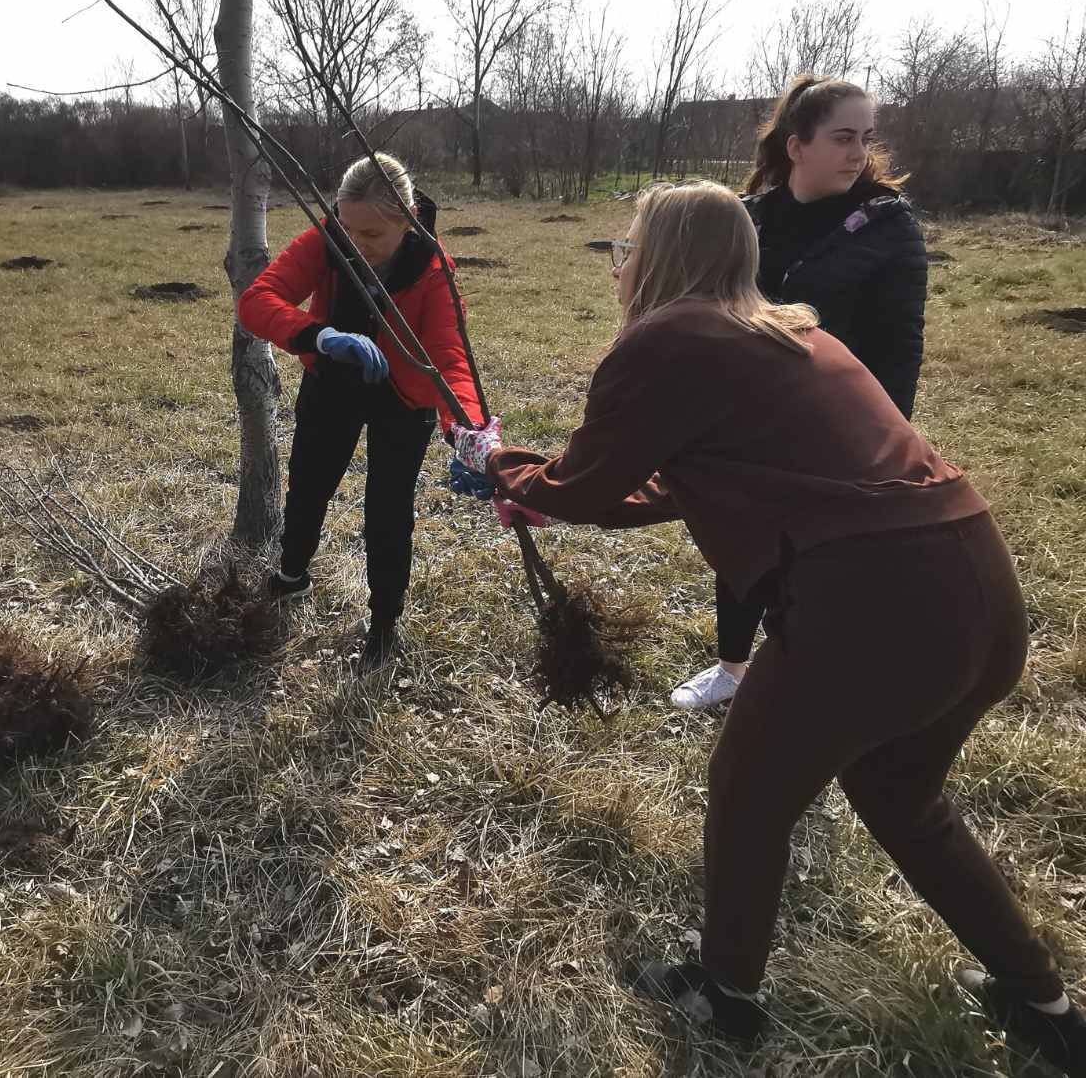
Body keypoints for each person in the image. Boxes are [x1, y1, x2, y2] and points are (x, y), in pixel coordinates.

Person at [452, 182, 1085, 1074]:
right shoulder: (794, 333)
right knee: (904, 799)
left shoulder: (662, 340)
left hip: (874, 607)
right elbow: (678, 482)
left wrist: (501, 466)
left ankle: (726, 991)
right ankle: (1046, 1003)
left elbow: (586, 484)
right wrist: (547, 496)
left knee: (748, 787)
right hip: (978, 587)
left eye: (626, 244)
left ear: (661, 256)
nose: (618, 262)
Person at [672, 74, 930, 711]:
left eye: (866, 139)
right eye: (843, 137)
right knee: (740, 539)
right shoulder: (748, 219)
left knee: (819, 559)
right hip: (746, 415)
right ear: (797, 145)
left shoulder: (886, 226)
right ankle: (732, 668)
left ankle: (804, 677)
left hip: (839, 423)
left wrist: (884, 433)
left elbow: (902, 339)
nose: (857, 153)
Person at [237, 153, 483, 671]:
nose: (354, 244)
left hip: (403, 399)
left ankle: (384, 623)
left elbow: (449, 357)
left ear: (408, 219)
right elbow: (259, 300)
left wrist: (471, 430)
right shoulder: (329, 237)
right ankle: (292, 576)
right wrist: (319, 335)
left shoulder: (432, 267)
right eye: (347, 228)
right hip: (334, 378)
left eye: (371, 235)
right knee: (308, 484)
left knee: (387, 510)